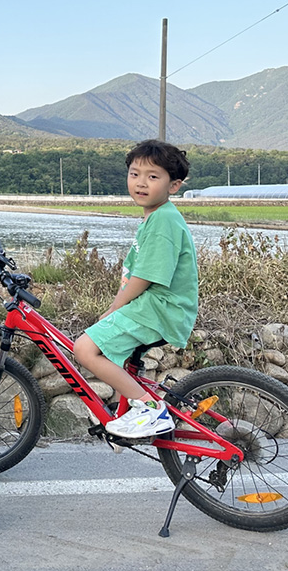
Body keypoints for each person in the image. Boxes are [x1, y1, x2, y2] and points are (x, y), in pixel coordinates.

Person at [72, 139, 198, 439]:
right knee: (105, 349)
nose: (141, 183)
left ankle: (150, 409)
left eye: (153, 176)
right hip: (156, 306)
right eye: (134, 174)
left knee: (84, 349)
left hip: (160, 307)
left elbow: (145, 277)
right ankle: (131, 413)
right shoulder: (157, 216)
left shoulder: (163, 220)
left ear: (174, 185)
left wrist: (115, 308)